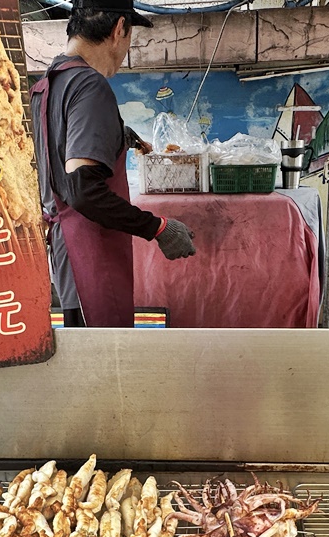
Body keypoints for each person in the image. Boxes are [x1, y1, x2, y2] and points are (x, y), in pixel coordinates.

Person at [31, 0, 196, 328]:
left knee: (85, 355)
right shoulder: (89, 85)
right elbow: (83, 190)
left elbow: (61, 146)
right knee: (106, 366)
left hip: (66, 259)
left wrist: (119, 134)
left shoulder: (46, 85)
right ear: (119, 29)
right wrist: (158, 228)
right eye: (130, 34)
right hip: (89, 255)